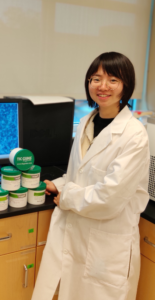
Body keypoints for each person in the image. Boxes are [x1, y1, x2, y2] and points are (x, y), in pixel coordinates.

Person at [31, 52, 150, 300]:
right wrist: (59, 184)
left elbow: (109, 198)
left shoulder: (134, 135)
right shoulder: (87, 121)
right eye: (96, 79)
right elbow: (83, 173)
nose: (103, 86)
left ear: (125, 85)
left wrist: (66, 196)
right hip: (79, 232)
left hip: (107, 246)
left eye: (113, 80)